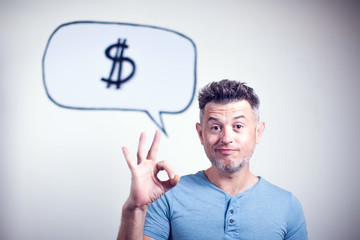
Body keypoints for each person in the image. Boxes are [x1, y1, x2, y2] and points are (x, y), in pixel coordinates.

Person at [117, 80, 308, 240]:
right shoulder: (167, 195)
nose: (226, 138)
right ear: (201, 134)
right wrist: (135, 208)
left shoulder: (287, 205)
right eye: (215, 127)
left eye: (238, 126)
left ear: (258, 133)